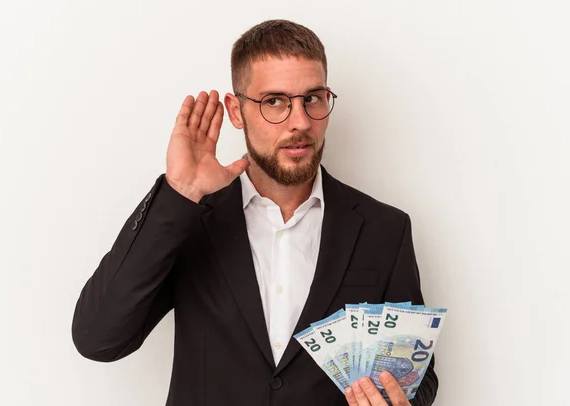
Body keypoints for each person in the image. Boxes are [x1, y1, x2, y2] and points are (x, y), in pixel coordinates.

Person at [71, 19, 438, 406]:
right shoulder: (191, 218)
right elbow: (99, 338)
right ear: (236, 111)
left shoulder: (384, 229)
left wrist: (403, 402)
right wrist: (179, 194)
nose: (300, 122)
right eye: (275, 101)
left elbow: (418, 375)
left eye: (312, 98)